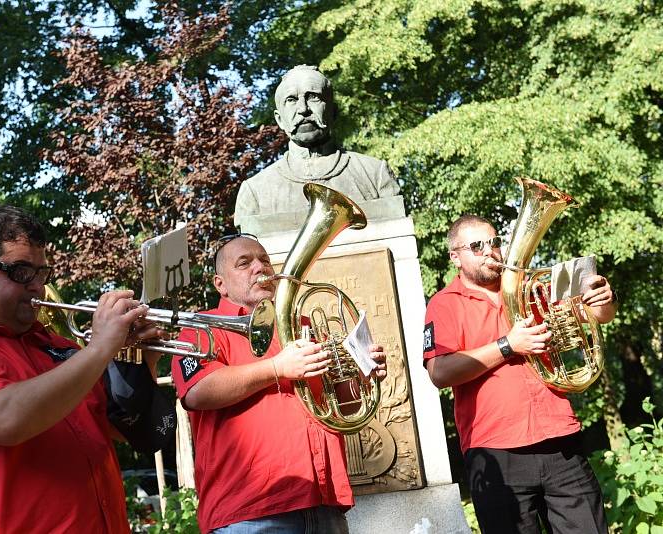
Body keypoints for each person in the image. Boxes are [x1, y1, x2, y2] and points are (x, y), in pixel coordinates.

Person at [0, 204, 164, 534]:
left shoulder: (62, 348)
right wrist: (99, 349)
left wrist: (140, 360)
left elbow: (129, 428)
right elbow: (5, 420)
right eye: (21, 271)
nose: (37, 286)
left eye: (42, 273)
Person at [171, 233, 387, 533]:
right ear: (220, 283)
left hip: (324, 502)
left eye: (264, 260)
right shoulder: (202, 327)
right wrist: (277, 367)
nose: (260, 268)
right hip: (250, 511)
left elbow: (341, 407)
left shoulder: (305, 326)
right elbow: (197, 391)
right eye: (244, 263)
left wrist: (361, 375)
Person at [423, 214, 617, 534]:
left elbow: (594, 316)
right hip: (497, 455)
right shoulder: (444, 304)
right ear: (455, 256)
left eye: (495, 242)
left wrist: (603, 302)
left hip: (560, 443)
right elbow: (440, 372)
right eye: (477, 245)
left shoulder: (531, 289)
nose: (491, 251)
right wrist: (508, 345)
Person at [234, 65, 400, 223]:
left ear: (333, 112)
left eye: (313, 97)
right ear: (279, 120)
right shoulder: (255, 192)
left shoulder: (375, 175)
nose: (303, 109)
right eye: (291, 100)